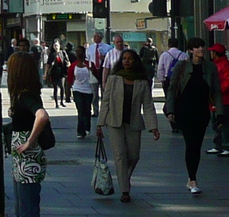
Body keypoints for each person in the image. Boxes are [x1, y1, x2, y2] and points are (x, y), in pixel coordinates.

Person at [4, 53, 52, 217]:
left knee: (29, 212)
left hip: (28, 163)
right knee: (20, 212)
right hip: (20, 162)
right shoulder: (21, 97)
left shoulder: (25, 97)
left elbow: (42, 115)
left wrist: (30, 141)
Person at [97, 47, 159, 202]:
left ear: (135, 61)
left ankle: (124, 176)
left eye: (129, 58)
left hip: (134, 122)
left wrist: (153, 127)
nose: (126, 61)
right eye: (124, 58)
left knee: (134, 155)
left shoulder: (142, 81)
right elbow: (105, 101)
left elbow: (148, 105)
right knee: (120, 155)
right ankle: (125, 190)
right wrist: (100, 124)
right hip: (114, 122)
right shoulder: (114, 78)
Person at [166, 38, 219, 195]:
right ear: (190, 50)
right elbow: (172, 88)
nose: (200, 49)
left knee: (197, 145)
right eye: (196, 47)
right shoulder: (181, 67)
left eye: (202, 46)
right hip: (185, 111)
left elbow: (216, 91)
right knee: (191, 144)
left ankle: (191, 178)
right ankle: (192, 179)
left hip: (202, 112)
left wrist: (220, 113)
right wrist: (171, 110)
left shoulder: (210, 68)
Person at [208, 43, 229, 156]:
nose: (210, 53)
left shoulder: (225, 65)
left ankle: (226, 145)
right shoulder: (216, 65)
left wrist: (217, 91)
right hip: (216, 98)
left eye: (212, 52)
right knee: (216, 122)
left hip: (224, 98)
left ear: (215, 53)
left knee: (224, 122)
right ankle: (219, 145)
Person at [69, 52, 97, 139]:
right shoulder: (73, 65)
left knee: (87, 110)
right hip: (77, 89)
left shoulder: (89, 64)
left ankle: (87, 126)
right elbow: (70, 78)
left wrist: (92, 70)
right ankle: (80, 131)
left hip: (88, 90)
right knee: (80, 110)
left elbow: (96, 75)